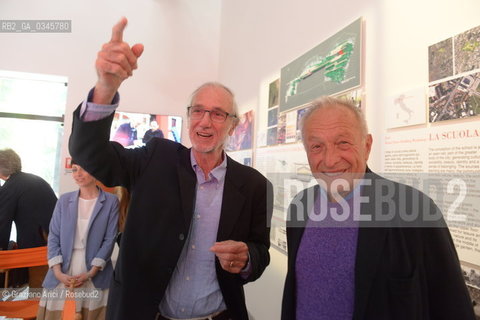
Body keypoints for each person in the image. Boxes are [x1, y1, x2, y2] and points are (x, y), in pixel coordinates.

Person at [68, 17, 272, 320]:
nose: (205, 121)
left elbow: (260, 252)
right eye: (198, 111)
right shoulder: (155, 157)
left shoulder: (255, 186)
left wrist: (247, 259)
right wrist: (106, 87)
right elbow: (92, 156)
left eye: (218, 114)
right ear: (188, 117)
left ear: (233, 124)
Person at [281, 97, 475, 319]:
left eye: (343, 142)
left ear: (367, 145)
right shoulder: (300, 205)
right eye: (317, 146)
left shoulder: (413, 210)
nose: (330, 160)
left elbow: (453, 306)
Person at [37, 162, 119, 320]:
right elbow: (53, 236)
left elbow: (110, 239)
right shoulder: (64, 200)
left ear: (95, 171)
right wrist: (57, 272)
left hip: (95, 270)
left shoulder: (111, 201)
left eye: (84, 169)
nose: (78, 174)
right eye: (74, 170)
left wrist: (91, 272)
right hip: (63, 268)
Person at [0, 148, 57, 287]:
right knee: (47, 283)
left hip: (39, 242)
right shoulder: (36, 180)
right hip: (55, 238)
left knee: (37, 283)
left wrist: (1, 251)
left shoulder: (10, 187)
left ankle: (37, 308)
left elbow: (2, 222)